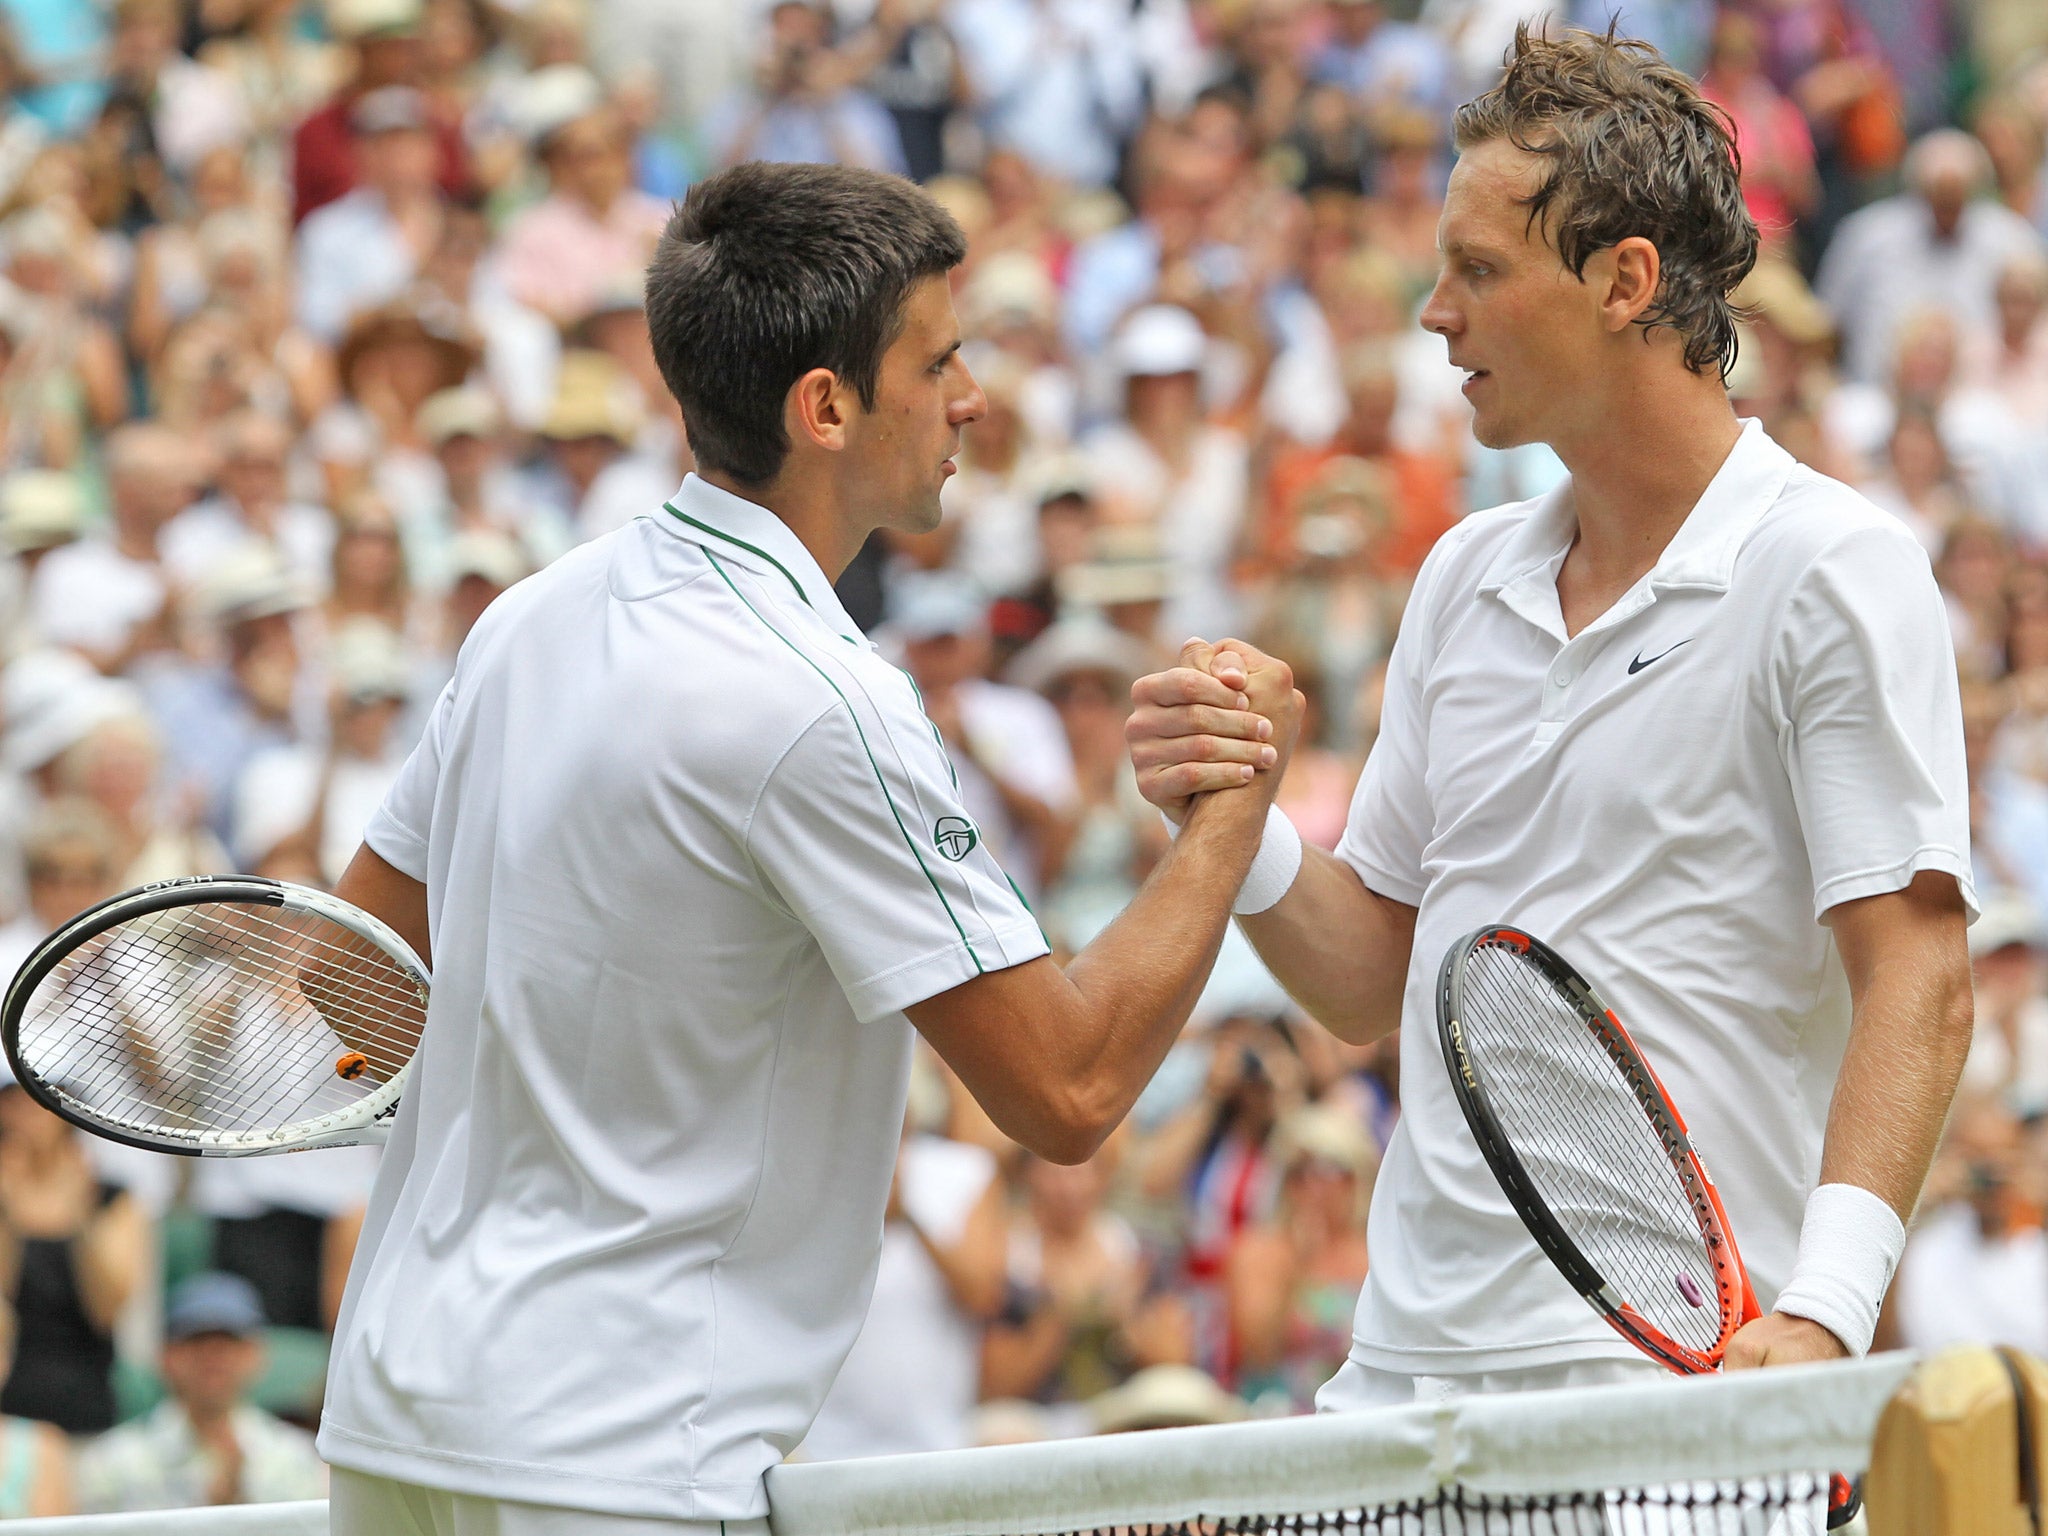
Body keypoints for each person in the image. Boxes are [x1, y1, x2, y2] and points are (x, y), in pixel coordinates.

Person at [317, 160, 1302, 1536]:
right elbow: (1069, 1091)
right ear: (825, 407)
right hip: (614, 1461)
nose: (972, 398)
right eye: (940, 361)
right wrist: (1231, 814)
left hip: (397, 1427)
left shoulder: (526, 619)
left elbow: (345, 980)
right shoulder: (822, 702)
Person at [1126, 25, 1975, 1411]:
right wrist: (1241, 820)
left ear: (1625, 282)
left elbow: (1920, 980)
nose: (1433, 313)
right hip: (1398, 1390)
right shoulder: (1463, 575)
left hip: (1669, 1405)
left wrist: (1823, 1316)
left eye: (1480, 271)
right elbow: (1367, 981)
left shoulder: (1830, 566)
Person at [73, 1272, 329, 1512]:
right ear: (166, 1356)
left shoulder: (298, 1459)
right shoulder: (111, 1464)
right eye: (197, 1342)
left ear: (255, 1355)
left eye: (228, 1343)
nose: (212, 1358)